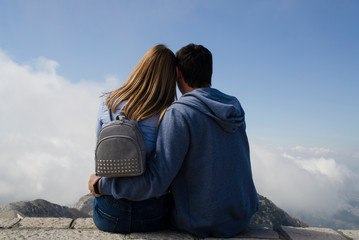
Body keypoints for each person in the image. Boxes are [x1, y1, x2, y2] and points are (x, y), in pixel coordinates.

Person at [89, 43, 259, 238]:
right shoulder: (234, 107)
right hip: (243, 216)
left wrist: (102, 185)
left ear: (177, 73)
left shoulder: (179, 113)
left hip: (203, 222)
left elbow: (157, 180)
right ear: (211, 72)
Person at [88, 44, 177, 233]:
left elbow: (99, 148)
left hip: (109, 212)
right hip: (152, 213)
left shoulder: (108, 103)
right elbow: (164, 170)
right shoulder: (168, 112)